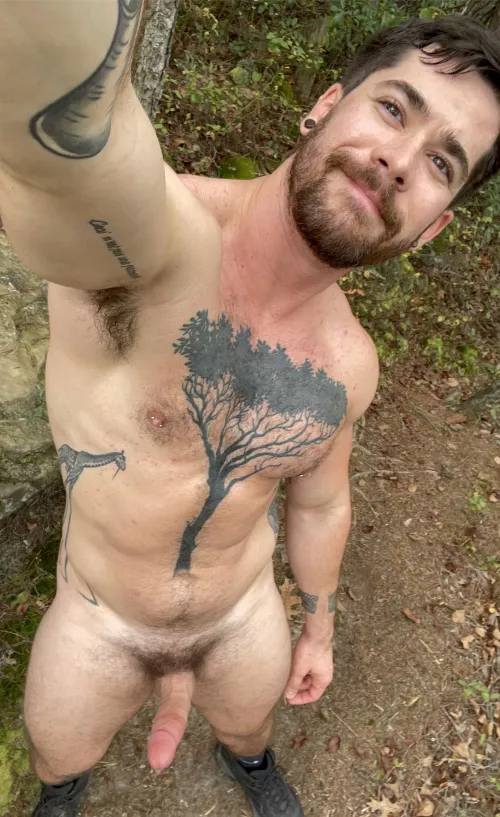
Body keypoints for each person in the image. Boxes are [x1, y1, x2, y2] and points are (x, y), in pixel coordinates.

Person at [1, 5, 499, 815]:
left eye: (443, 162)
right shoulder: (152, 251)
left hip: (241, 615)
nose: (399, 160)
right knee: (59, 756)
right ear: (324, 106)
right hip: (98, 616)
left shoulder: (349, 363)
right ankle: (63, 792)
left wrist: (319, 626)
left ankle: (250, 761)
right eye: (393, 107)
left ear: (432, 228)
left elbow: (321, 500)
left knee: (249, 725)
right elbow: (71, 153)